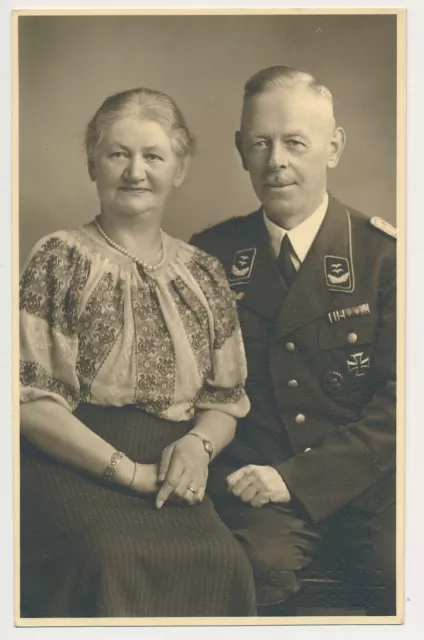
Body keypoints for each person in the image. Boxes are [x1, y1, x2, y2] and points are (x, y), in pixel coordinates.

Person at [19, 87, 257, 618]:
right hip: (72, 460)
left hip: (176, 464)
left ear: (180, 168)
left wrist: (198, 446)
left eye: (153, 156)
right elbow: (30, 405)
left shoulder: (204, 272)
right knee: (113, 558)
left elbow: (225, 399)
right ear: (92, 164)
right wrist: (130, 473)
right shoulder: (58, 257)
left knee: (222, 562)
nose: (135, 171)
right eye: (118, 154)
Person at [191, 66, 396, 615]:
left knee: (399, 573)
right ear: (240, 150)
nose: (276, 159)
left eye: (295, 142)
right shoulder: (208, 256)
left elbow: (404, 404)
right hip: (253, 488)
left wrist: (297, 479)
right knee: (253, 574)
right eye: (261, 142)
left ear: (333, 148)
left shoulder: (387, 258)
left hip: (372, 485)